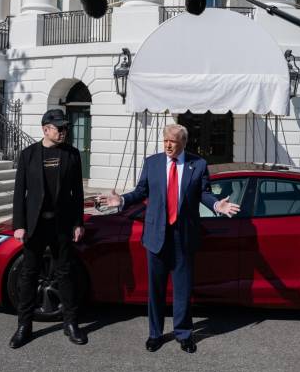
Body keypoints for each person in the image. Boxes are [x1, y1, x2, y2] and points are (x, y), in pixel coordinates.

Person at [98, 124, 240, 353]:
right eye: (165, 140)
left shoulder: (198, 164)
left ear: (183, 142)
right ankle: (155, 333)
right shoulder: (152, 163)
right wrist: (122, 201)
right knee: (156, 289)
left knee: (183, 289)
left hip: (183, 237)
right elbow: (141, 191)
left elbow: (203, 193)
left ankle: (183, 333)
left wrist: (216, 204)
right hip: (156, 236)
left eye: (172, 141)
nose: (168, 145)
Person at [9, 109, 86, 349]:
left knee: (65, 273)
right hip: (35, 225)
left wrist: (78, 222)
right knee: (29, 275)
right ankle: (24, 326)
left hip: (61, 224)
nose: (63, 131)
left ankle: (71, 323)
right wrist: (19, 224)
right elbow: (19, 192)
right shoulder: (29, 155)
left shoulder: (72, 155)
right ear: (45, 129)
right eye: (58, 128)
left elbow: (77, 194)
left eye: (65, 128)